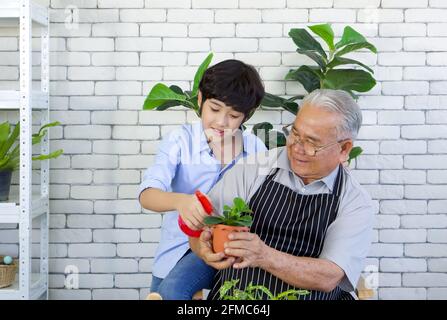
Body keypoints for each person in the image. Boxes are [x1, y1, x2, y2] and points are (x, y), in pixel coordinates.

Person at [190, 89, 375, 300]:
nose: (297, 148)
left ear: (344, 149)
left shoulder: (354, 202)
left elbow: (329, 276)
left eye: (312, 143)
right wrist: (202, 247)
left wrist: (263, 255)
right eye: (295, 134)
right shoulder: (253, 169)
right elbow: (200, 227)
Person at [139, 59, 267, 299]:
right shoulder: (179, 141)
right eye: (215, 109)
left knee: (174, 291)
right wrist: (181, 202)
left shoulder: (255, 148)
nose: (221, 122)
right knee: (167, 292)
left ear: (245, 117)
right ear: (200, 100)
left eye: (233, 115)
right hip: (175, 252)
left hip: (231, 253)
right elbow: (147, 195)